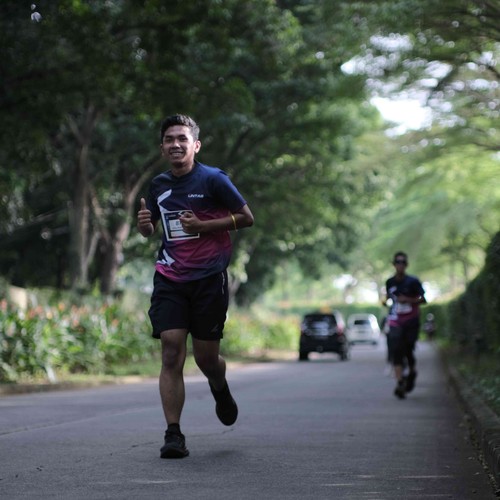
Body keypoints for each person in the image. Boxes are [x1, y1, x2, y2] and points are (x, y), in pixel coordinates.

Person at [137, 114, 254, 458]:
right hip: (170, 277)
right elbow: (151, 228)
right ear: (162, 147)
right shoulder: (158, 185)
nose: (175, 144)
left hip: (208, 278)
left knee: (206, 359)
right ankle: (173, 433)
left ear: (195, 145)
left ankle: (219, 385)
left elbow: (247, 218)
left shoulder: (214, 179)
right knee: (171, 350)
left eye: (182, 139)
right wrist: (144, 226)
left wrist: (204, 226)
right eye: (169, 139)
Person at [382, 251, 426, 399]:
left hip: (411, 320)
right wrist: (385, 301)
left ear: (406, 265)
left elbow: (423, 299)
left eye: (402, 262)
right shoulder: (390, 282)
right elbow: (388, 298)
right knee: (396, 349)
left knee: (408, 349)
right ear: (394, 264)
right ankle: (400, 382)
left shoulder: (413, 281)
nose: (400, 265)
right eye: (397, 262)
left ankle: (412, 372)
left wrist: (408, 300)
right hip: (396, 320)